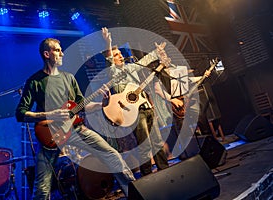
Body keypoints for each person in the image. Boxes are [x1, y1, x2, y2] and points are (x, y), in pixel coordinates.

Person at [15, 38, 136, 199]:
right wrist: (49, 114)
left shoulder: (69, 78)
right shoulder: (34, 82)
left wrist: (102, 104)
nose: (62, 53)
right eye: (57, 50)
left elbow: (81, 106)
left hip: (76, 130)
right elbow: (21, 114)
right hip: (50, 136)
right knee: (42, 186)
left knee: (113, 156)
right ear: (46, 54)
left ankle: (136, 194)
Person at [101, 27, 169, 177]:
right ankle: (148, 175)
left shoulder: (131, 67)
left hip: (145, 106)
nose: (119, 56)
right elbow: (109, 60)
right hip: (134, 112)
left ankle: (165, 170)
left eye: (119, 53)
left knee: (157, 141)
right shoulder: (112, 72)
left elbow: (146, 60)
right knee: (145, 145)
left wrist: (158, 52)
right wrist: (108, 42)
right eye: (116, 54)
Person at [154, 62, 212, 158]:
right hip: (175, 104)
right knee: (182, 128)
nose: (166, 57)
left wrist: (203, 76)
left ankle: (209, 145)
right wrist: (172, 99)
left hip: (186, 99)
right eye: (162, 55)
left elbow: (188, 80)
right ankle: (189, 153)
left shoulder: (175, 69)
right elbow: (157, 90)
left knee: (201, 117)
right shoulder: (158, 74)